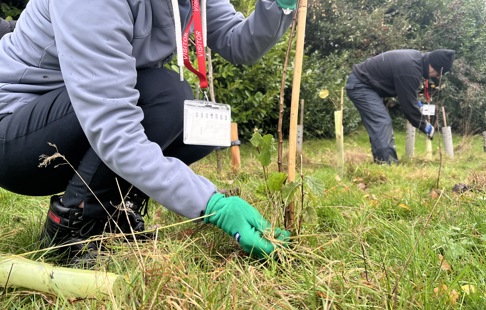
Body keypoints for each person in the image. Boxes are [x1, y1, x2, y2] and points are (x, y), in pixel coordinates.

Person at [0, 0, 296, 265]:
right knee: (165, 96)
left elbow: (239, 44)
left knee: (185, 119)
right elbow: (115, 129)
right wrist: (212, 204)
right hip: (16, 134)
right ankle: (71, 226)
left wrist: (278, 5)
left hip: (81, 115)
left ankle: (114, 214)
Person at [345, 49, 456, 164]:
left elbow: (407, 94)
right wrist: (424, 125)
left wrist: (415, 104)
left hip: (369, 85)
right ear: (433, 66)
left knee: (380, 123)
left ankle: (381, 161)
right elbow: (408, 106)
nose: (435, 77)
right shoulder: (411, 68)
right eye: (438, 74)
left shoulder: (416, 61)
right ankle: (387, 165)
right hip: (361, 85)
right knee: (381, 122)